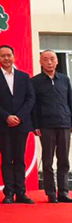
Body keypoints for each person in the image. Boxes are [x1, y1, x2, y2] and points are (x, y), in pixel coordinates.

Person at [0, 45, 35, 204]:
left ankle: (21, 192)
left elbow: (30, 98)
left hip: (21, 124)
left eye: (9, 55)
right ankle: (8, 193)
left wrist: (19, 116)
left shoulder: (24, 76)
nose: (6, 58)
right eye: (3, 56)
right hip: (3, 124)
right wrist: (6, 116)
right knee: (7, 159)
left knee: (20, 159)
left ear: (14, 56)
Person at [32, 50, 72, 203]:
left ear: (57, 61)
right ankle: (51, 193)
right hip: (46, 125)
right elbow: (33, 106)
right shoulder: (35, 81)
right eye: (45, 59)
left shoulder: (64, 79)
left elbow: (70, 101)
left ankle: (63, 192)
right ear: (40, 62)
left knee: (64, 160)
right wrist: (35, 125)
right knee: (48, 161)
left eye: (52, 59)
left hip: (64, 124)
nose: (49, 62)